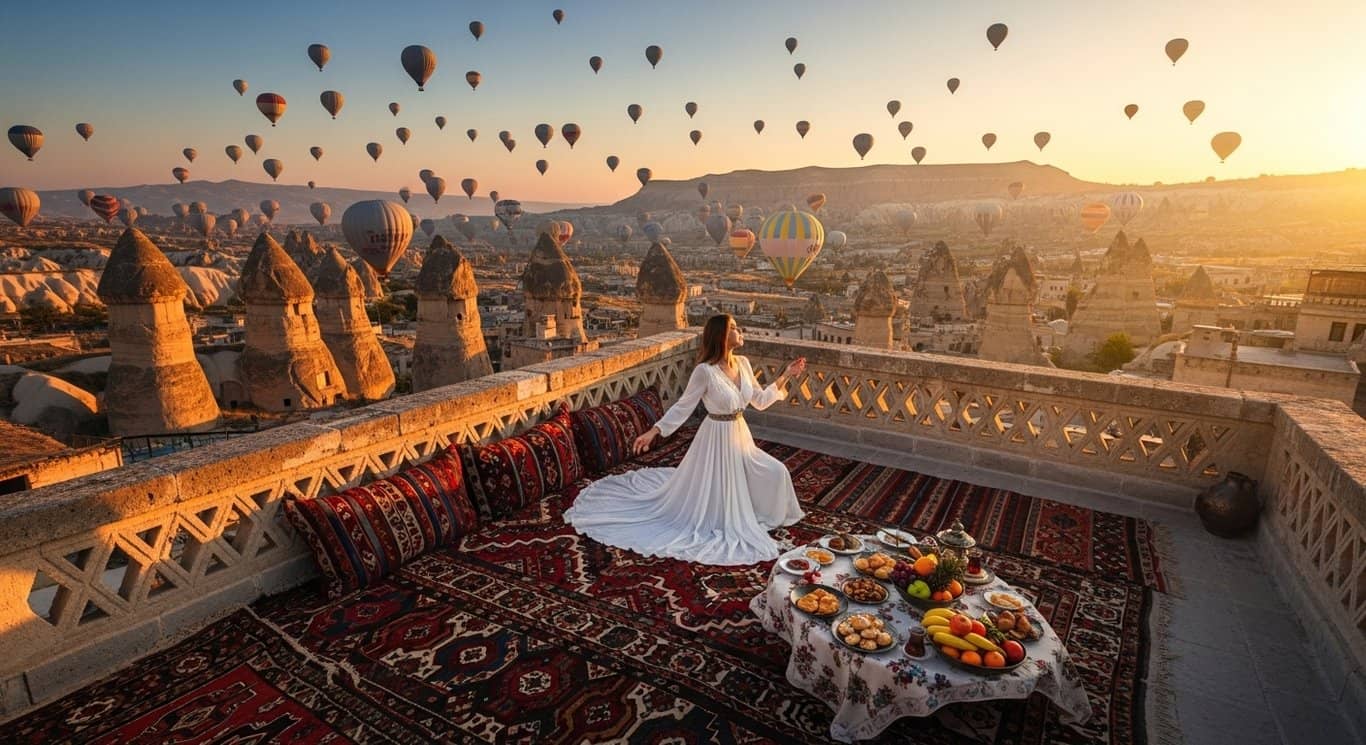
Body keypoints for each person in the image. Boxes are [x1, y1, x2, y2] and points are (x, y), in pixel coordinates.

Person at [562, 315, 807, 565]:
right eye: (733, 328)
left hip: (740, 437)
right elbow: (683, 406)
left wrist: (787, 374)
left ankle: (756, 510)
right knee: (720, 495)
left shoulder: (743, 363)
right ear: (721, 336)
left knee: (778, 472)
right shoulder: (705, 371)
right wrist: (654, 431)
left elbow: (761, 400)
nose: (739, 330)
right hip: (715, 439)